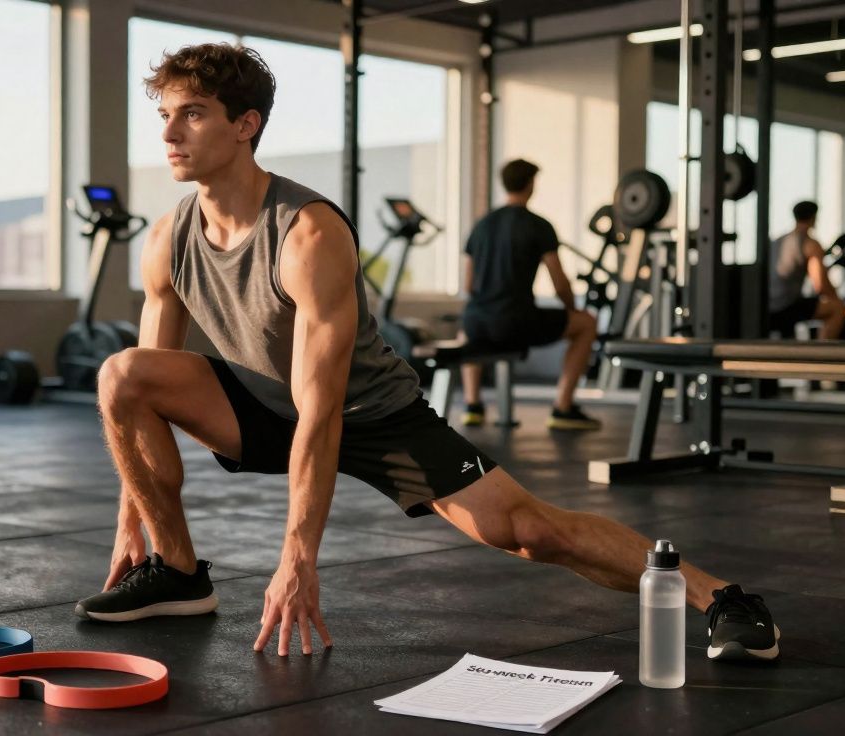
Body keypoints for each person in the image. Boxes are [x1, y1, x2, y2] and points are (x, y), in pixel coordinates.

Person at [74, 42, 779, 664]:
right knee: (123, 373)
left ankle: (719, 596)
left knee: (527, 531)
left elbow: (322, 410)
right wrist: (134, 524)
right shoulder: (169, 238)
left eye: (192, 113)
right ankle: (178, 573)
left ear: (245, 124)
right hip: (260, 404)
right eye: (164, 114)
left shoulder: (307, 233)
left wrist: (297, 559)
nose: (168, 133)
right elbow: (143, 400)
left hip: (368, 413)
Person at [459, 160, 600, 430]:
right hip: (516, 322)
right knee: (587, 324)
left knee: (467, 329)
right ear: (531, 184)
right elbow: (560, 283)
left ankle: (472, 406)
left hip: (477, 322)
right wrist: (572, 309)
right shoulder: (538, 225)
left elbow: (468, 285)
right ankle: (563, 408)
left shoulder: (482, 225)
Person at [767, 201, 845, 340]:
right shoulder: (810, 244)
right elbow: (821, 285)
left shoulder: (776, 241)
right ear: (814, 218)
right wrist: (839, 300)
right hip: (784, 307)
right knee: (837, 308)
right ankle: (823, 352)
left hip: (767, 306)